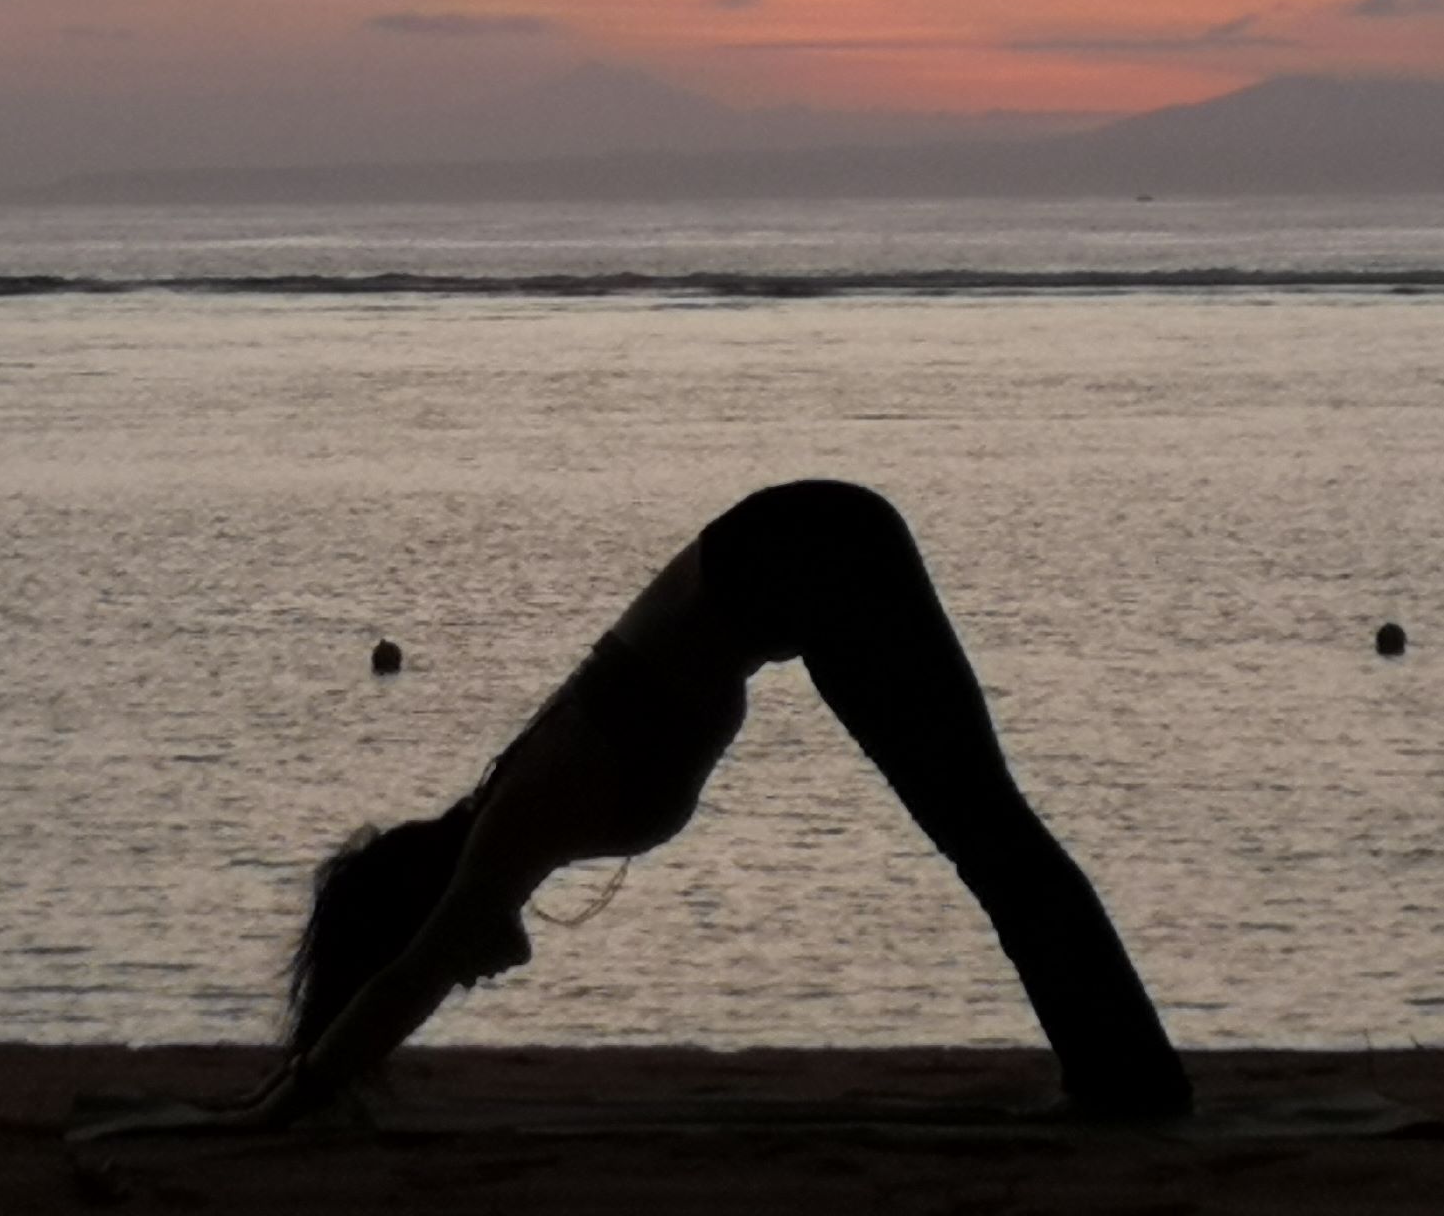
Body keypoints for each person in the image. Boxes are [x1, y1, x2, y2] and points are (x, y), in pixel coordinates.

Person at [251, 479, 1190, 1122]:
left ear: (427, 914)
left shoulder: (517, 823)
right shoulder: (520, 816)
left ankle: (1129, 1082)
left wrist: (297, 1093)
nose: (467, 976)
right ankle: (1124, 1076)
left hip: (812, 552)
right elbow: (415, 970)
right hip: (801, 553)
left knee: (988, 832)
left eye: (447, 962)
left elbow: (405, 978)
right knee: (988, 833)